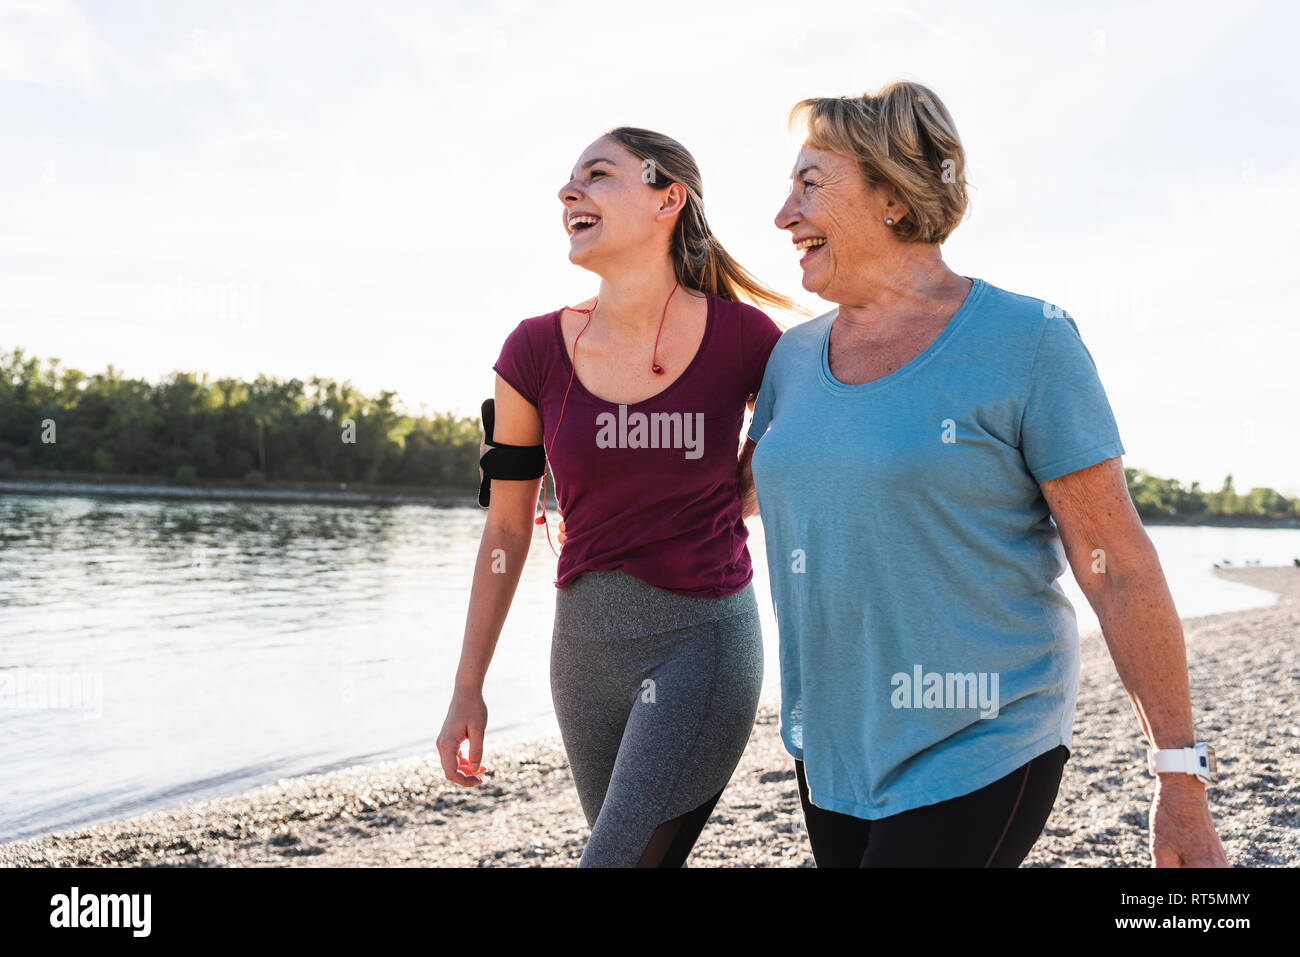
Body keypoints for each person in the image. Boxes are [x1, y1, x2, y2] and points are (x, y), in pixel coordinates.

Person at [740, 80, 1229, 867]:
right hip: (833, 746)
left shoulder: (1027, 339)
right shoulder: (791, 359)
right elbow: (725, 501)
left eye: (810, 184)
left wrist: (1179, 776)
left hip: (982, 733)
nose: (782, 214)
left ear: (894, 195)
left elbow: (1117, 565)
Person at [436, 126, 804, 866]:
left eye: (597, 174)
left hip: (702, 640)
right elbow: (508, 529)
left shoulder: (749, 339)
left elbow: (772, 478)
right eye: (571, 180)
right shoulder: (531, 351)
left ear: (669, 197)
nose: (569, 192)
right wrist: (467, 686)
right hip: (582, 653)